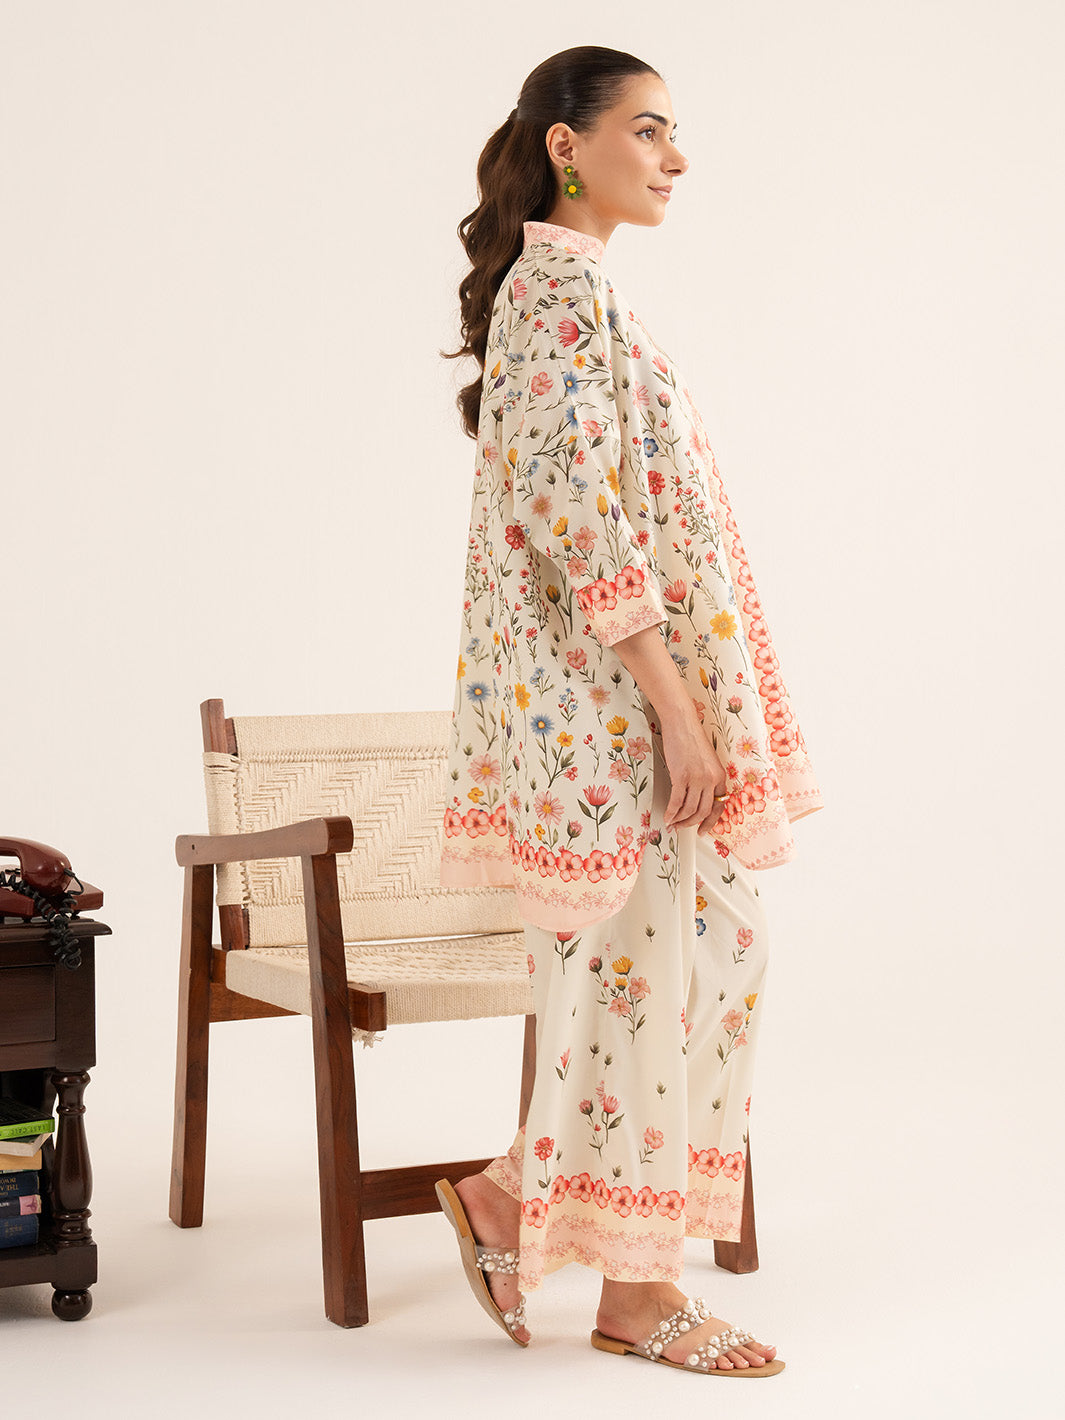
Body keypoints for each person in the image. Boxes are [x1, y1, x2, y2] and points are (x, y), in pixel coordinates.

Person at [435, 44, 823, 1377]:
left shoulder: (583, 291)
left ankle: (517, 1203)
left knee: (710, 956)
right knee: (648, 978)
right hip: (607, 720)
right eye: (648, 130)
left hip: (627, 707)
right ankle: (637, 1295)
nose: (675, 157)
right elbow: (572, 513)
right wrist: (673, 709)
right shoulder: (551, 293)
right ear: (567, 145)